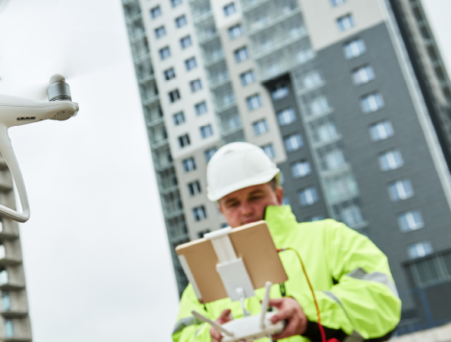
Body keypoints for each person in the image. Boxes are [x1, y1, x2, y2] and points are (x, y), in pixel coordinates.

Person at [171, 142, 401, 342]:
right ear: (222, 211)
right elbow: (182, 335)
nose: (246, 210)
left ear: (277, 196)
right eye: (232, 203)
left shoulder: (330, 238)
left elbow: (381, 301)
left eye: (255, 196)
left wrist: (307, 310)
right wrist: (210, 337)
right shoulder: (206, 274)